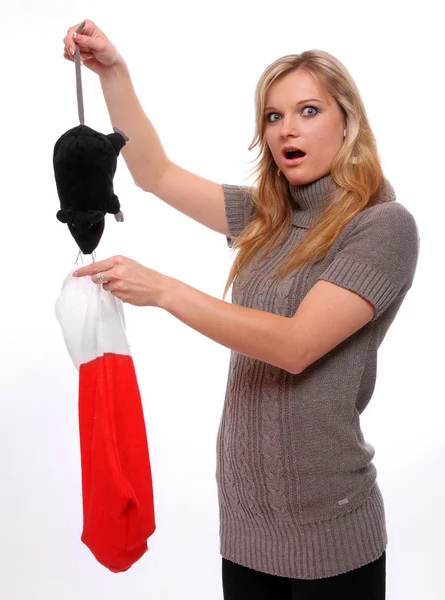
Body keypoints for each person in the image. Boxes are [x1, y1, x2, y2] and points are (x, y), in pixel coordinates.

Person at [64, 20, 419, 599]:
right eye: (273, 117)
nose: (286, 130)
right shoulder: (267, 217)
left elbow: (295, 346)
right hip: (247, 531)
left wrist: (164, 291)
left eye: (308, 110)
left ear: (347, 122)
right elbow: (153, 172)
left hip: (331, 539)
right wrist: (114, 73)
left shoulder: (383, 227)